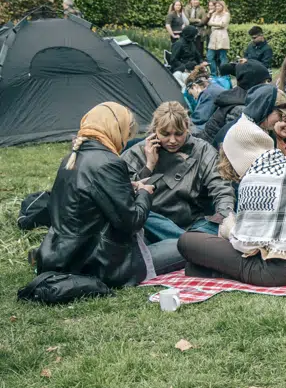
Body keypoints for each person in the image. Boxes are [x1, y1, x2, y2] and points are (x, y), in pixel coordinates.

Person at [33, 102, 181, 285]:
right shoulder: (108, 162)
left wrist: (130, 186)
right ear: (115, 130)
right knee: (185, 246)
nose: (125, 141)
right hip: (100, 264)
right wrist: (144, 193)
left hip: (64, 255)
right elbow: (133, 221)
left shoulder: (72, 158)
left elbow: (89, 199)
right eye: (126, 135)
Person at [177, 136, 286, 287]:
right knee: (193, 268)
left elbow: (245, 246)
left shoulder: (253, 178)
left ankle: (219, 271)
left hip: (273, 271)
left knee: (186, 241)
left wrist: (230, 230)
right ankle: (212, 271)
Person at [122, 102, 233, 243]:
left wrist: (225, 219)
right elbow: (125, 195)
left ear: (187, 128)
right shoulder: (137, 152)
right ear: (155, 130)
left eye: (179, 134)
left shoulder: (202, 150)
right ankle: (193, 243)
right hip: (153, 225)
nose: (172, 140)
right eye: (166, 134)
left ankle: (188, 241)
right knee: (141, 220)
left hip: (193, 223)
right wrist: (149, 166)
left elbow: (221, 188)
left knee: (217, 227)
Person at [200, 62, 272, 145]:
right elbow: (237, 144)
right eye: (266, 81)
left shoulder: (239, 98)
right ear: (254, 84)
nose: (269, 86)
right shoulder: (240, 109)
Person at [206, 0, 230, 72]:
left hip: (222, 36)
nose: (217, 7)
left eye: (219, 6)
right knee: (209, 56)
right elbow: (209, 23)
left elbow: (223, 24)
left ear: (223, 6)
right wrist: (218, 24)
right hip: (213, 37)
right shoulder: (214, 14)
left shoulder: (226, 14)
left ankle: (223, 73)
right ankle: (214, 73)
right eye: (216, 6)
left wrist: (214, 24)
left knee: (223, 57)